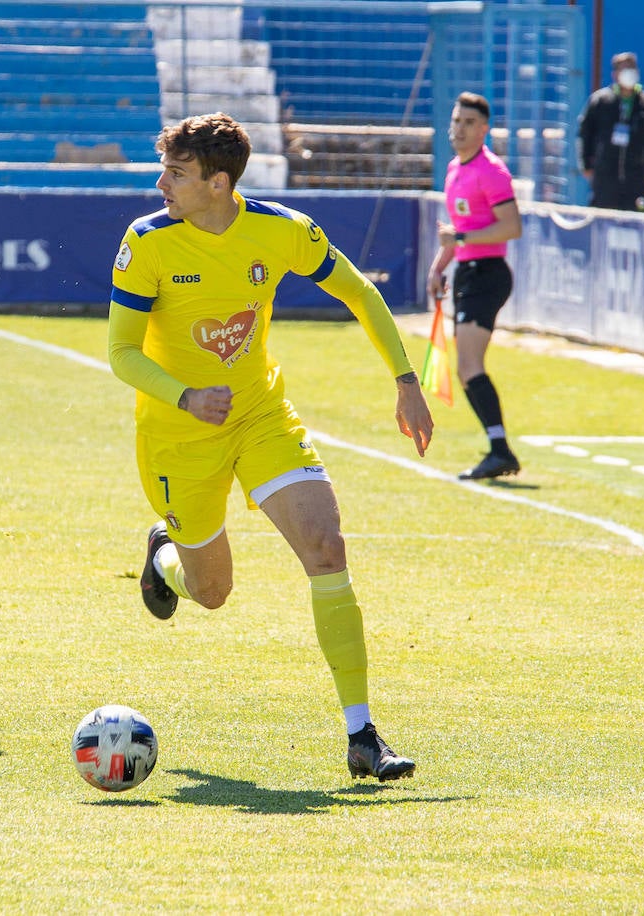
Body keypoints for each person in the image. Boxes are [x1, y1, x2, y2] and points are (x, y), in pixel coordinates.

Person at [107, 112, 434, 782]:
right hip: (177, 437)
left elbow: (360, 292)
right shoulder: (146, 243)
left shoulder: (281, 230)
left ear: (219, 183)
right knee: (212, 591)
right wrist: (186, 397)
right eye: (164, 168)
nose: (160, 182)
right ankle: (163, 557)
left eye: (177, 172)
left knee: (325, 546)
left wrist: (406, 380)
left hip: (261, 416)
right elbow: (120, 354)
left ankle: (362, 734)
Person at [427, 92, 524, 481]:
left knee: (469, 366)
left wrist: (461, 243)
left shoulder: (491, 171)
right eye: (456, 121)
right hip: (468, 273)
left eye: (469, 123)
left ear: (484, 130)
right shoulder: (454, 169)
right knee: (467, 370)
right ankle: (498, 448)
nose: (459, 129)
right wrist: (439, 267)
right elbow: (458, 234)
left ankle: (500, 450)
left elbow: (510, 227)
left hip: (488, 273)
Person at [577, 52, 644, 212]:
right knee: (602, 217)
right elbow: (585, 133)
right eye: (624, 68)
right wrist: (585, 164)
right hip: (605, 175)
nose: (629, 72)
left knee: (637, 218)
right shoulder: (600, 101)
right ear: (615, 74)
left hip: (636, 176)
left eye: (631, 68)